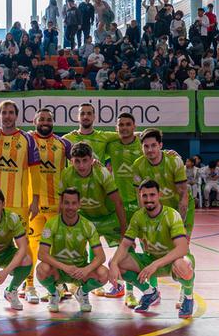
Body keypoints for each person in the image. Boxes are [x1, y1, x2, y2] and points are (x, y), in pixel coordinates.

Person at [110, 180, 196, 318]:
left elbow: (182, 248)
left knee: (183, 264)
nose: (148, 199)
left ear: (159, 195)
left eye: (152, 195)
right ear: (140, 196)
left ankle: (188, 297)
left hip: (172, 261)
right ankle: (149, 292)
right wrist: (113, 264)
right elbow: (125, 244)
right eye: (145, 196)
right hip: (150, 259)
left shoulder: (171, 215)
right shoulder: (138, 216)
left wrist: (155, 264)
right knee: (118, 262)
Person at [36, 188, 109, 313]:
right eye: (67, 203)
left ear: (79, 204)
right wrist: (64, 267)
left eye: (74, 203)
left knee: (104, 273)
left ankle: (82, 293)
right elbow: (42, 254)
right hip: (58, 270)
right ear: (61, 204)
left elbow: (101, 257)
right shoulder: (52, 224)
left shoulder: (87, 225)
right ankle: (54, 294)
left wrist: (85, 269)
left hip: (80, 271)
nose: (70, 207)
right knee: (42, 269)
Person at [26, 107, 71, 303]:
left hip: (56, 207)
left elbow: (80, 159)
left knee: (55, 249)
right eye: (41, 118)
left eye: (48, 119)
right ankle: (29, 286)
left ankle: (58, 285)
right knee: (31, 247)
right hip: (33, 205)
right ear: (34, 121)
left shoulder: (63, 144)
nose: (45, 121)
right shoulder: (27, 140)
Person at [57, 142, 128, 248]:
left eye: (85, 160)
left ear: (91, 160)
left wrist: (123, 232)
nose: (81, 165)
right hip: (86, 217)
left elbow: (118, 202)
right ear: (71, 161)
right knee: (76, 250)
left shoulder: (102, 173)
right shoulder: (66, 174)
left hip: (109, 217)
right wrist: (61, 228)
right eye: (77, 161)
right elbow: (62, 203)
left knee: (126, 250)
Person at [132, 129, 192, 235]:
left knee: (179, 245)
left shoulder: (174, 161)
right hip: (157, 207)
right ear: (141, 147)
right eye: (146, 146)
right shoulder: (138, 165)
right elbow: (140, 197)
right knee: (154, 247)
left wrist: (179, 224)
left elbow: (183, 195)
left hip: (180, 206)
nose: (150, 150)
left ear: (160, 145)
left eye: (153, 145)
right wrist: (146, 222)